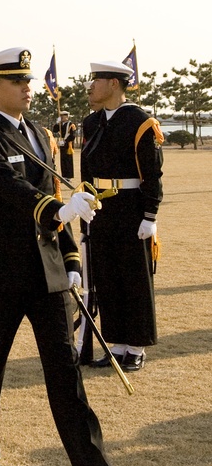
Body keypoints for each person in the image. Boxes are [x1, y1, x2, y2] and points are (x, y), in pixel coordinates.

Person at [0, 46, 137, 466]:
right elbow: (7, 184)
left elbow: (53, 192)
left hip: (48, 272)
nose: (27, 87)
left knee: (64, 372)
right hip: (4, 274)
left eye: (28, 80)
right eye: (17, 82)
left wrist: (72, 259)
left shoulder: (40, 133)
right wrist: (57, 208)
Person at [81, 60, 164, 372]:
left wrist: (150, 214)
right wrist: (85, 204)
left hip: (130, 207)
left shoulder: (139, 121)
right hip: (101, 207)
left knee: (133, 278)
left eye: (96, 80)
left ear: (113, 84)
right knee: (107, 276)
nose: (90, 86)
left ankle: (136, 346)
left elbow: (152, 174)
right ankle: (115, 345)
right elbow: (86, 170)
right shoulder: (91, 123)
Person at [52, 110, 78, 180]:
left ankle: (69, 176)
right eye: (61, 116)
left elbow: (73, 136)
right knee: (62, 159)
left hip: (68, 144)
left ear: (67, 117)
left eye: (63, 116)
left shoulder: (71, 124)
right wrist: (57, 123)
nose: (62, 118)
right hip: (62, 143)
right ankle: (64, 175)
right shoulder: (60, 124)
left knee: (68, 160)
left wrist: (65, 141)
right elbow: (54, 130)